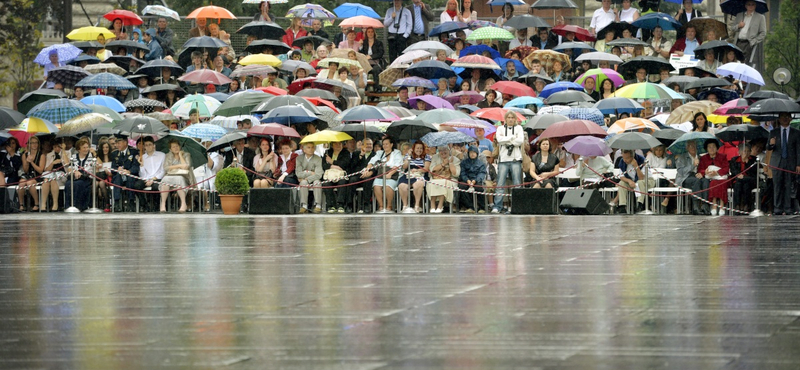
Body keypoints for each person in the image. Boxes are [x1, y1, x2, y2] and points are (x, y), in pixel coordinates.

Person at [766, 112, 800, 215]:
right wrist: (771, 144)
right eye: (782, 116)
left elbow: (798, 150)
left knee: (789, 185)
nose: (785, 118)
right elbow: (768, 147)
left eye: (787, 116)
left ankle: (788, 208)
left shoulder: (796, 132)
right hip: (777, 163)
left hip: (791, 163)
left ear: (790, 118)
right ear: (779, 119)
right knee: (777, 186)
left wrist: (798, 164)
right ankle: (778, 208)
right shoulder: (773, 132)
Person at [492, 111, 524, 213]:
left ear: (515, 119)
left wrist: (506, 140)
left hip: (515, 159)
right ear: (505, 119)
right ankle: (497, 206)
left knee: (517, 184)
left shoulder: (519, 128)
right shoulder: (500, 128)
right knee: (500, 184)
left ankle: (517, 206)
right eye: (508, 117)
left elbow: (520, 141)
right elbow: (499, 140)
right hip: (503, 160)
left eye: (512, 117)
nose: (510, 119)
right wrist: (512, 138)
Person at [367, 136, 403, 212]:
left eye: (387, 144)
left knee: (388, 186)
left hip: (392, 175)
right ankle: (381, 206)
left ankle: (389, 206)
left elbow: (398, 164)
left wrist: (390, 174)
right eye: (383, 144)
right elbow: (372, 161)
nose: (385, 146)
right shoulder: (380, 153)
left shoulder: (396, 152)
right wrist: (368, 168)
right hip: (381, 174)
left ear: (391, 144)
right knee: (376, 186)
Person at [159, 139, 193, 213]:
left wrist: (180, 155)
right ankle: (163, 204)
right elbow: (166, 168)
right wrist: (179, 165)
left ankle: (183, 203)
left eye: (177, 146)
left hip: (184, 177)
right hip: (170, 176)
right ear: (170, 149)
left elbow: (186, 167)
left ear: (180, 147)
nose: (176, 148)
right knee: (165, 179)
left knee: (179, 179)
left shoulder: (186, 154)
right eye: (173, 147)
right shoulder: (168, 156)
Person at [729, 0, 766, 65]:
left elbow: (763, 33)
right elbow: (732, 28)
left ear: (755, 6)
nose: (750, 6)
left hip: (749, 43)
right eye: (749, 4)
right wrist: (738, 25)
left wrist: (754, 41)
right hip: (738, 42)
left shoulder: (760, 17)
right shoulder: (740, 15)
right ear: (745, 6)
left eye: (752, 4)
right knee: (736, 61)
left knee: (745, 62)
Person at [110, 134, 142, 212]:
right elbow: (112, 168)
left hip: (130, 175)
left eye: (119, 143)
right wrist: (118, 169)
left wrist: (129, 171)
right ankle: (116, 203)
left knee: (130, 178)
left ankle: (131, 202)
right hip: (119, 176)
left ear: (125, 143)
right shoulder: (114, 154)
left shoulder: (134, 152)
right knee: (117, 177)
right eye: (116, 143)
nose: (117, 145)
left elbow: (136, 166)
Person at [698, 140, 729, 216]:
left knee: (722, 183)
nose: (711, 149)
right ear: (706, 149)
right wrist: (705, 172)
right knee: (713, 183)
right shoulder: (703, 158)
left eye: (713, 147)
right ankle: (714, 205)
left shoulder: (723, 156)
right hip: (710, 179)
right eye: (709, 147)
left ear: (717, 148)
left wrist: (717, 172)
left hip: (721, 177)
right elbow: (700, 169)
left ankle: (722, 206)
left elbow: (726, 168)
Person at [398, 142, 431, 213]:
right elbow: (404, 166)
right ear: (413, 149)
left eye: (421, 148)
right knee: (402, 186)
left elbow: (426, 168)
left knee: (418, 185)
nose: (419, 150)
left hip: (420, 173)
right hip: (408, 173)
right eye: (417, 148)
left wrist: (417, 170)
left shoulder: (426, 156)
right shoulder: (408, 155)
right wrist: (408, 156)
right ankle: (405, 206)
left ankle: (417, 205)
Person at [63, 138, 93, 211]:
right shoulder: (74, 157)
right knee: (68, 184)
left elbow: (89, 169)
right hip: (74, 177)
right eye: (84, 148)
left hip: (85, 178)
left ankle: (77, 205)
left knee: (78, 184)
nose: (86, 149)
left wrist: (81, 173)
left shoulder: (90, 157)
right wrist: (75, 171)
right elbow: (70, 168)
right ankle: (68, 206)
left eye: (87, 147)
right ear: (79, 149)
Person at [427, 146, 459, 213]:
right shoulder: (435, 157)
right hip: (436, 177)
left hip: (450, 179)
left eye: (445, 150)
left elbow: (456, 174)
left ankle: (440, 205)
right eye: (441, 150)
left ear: (448, 151)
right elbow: (432, 170)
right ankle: (432, 206)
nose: (443, 152)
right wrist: (443, 164)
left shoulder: (455, 159)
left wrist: (450, 163)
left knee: (443, 182)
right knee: (432, 183)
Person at [14, 136, 43, 211]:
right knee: (21, 183)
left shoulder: (42, 155)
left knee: (30, 183)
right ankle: (21, 204)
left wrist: (32, 162)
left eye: (36, 143)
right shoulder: (25, 155)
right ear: (29, 144)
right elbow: (25, 170)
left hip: (37, 175)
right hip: (28, 174)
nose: (34, 145)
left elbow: (40, 170)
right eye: (32, 143)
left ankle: (36, 203)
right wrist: (27, 161)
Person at [456, 145, 486, 213]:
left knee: (479, 188)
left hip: (477, 180)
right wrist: (467, 180)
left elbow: (482, 173)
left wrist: (475, 180)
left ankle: (482, 207)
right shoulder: (464, 162)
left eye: (474, 152)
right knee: (462, 187)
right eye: (470, 152)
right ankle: (470, 207)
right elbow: (462, 173)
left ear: (477, 154)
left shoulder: (481, 163)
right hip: (466, 180)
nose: (472, 154)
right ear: (468, 153)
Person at [138, 137, 165, 212]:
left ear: (154, 145)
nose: (148, 146)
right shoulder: (142, 157)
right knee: (137, 186)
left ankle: (155, 205)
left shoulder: (162, 155)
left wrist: (153, 179)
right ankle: (144, 205)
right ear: (144, 147)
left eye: (150, 144)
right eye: (146, 145)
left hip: (158, 178)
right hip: (146, 178)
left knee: (156, 187)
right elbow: (142, 174)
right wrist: (141, 165)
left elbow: (163, 171)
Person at [349, 138, 376, 213]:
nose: (369, 146)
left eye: (370, 144)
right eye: (367, 144)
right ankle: (349, 205)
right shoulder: (356, 154)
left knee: (368, 180)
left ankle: (366, 205)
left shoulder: (375, 155)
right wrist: (360, 156)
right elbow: (352, 166)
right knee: (352, 180)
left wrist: (370, 172)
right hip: (358, 175)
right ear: (362, 145)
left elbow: (377, 167)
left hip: (368, 175)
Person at [729, 143, 757, 212]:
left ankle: (746, 205)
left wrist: (747, 163)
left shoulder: (754, 160)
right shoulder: (734, 160)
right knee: (738, 184)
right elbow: (733, 171)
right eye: (744, 151)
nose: (746, 153)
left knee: (746, 185)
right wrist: (739, 175)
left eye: (748, 151)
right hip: (738, 180)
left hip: (750, 180)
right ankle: (737, 205)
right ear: (740, 152)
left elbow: (753, 172)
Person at [42, 138, 67, 212]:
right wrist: (53, 163)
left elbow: (67, 164)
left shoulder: (66, 153)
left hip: (62, 175)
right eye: (55, 147)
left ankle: (55, 204)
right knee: (46, 181)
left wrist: (63, 151)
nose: (57, 148)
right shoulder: (49, 155)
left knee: (53, 181)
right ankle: (43, 204)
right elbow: (46, 169)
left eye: (59, 147)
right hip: (51, 174)